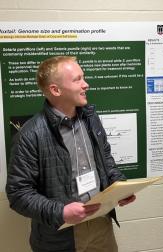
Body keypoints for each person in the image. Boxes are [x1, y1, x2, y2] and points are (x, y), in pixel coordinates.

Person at [6, 55, 136, 252]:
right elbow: (18, 194)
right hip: (59, 235)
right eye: (77, 79)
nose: (86, 84)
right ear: (55, 90)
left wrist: (118, 186)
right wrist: (61, 212)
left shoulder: (91, 118)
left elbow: (106, 160)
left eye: (83, 77)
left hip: (101, 224)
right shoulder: (30, 135)